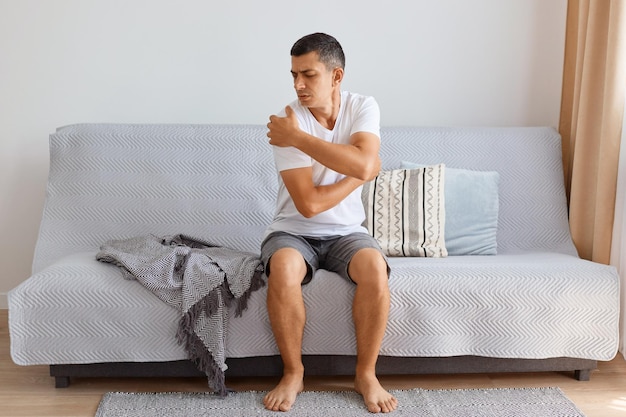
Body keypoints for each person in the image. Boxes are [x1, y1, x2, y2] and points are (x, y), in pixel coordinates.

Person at [261, 32, 398, 414]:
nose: (298, 85)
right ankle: (293, 373)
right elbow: (308, 205)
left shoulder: (363, 106)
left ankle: (366, 374)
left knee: (374, 267)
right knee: (284, 267)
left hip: (348, 233)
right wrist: (359, 173)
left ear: (336, 77)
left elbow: (367, 161)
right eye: (293, 75)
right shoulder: (288, 122)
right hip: (292, 232)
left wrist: (303, 142)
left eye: (308, 75)